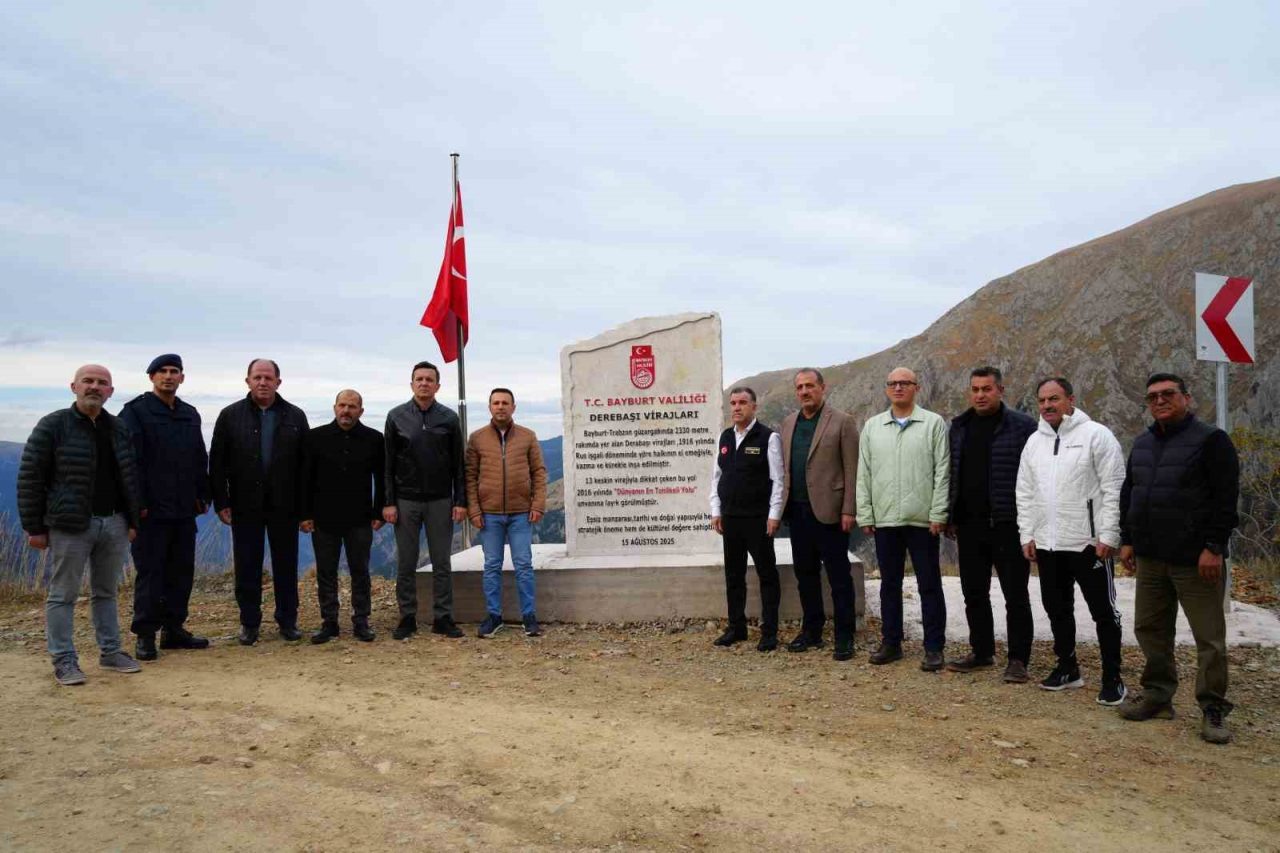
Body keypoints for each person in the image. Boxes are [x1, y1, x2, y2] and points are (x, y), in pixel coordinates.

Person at [1118, 373, 1240, 744]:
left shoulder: (1211, 441)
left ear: (1187, 397)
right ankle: (1158, 695)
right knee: (1150, 629)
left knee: (1209, 638)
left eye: (1168, 394)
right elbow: (1131, 494)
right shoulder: (1141, 444)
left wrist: (1214, 547)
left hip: (1195, 559)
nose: (1159, 401)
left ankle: (1213, 707)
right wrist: (1128, 540)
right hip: (1152, 557)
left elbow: (1225, 498)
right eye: (1152, 396)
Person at [17, 364, 143, 685]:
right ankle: (64, 659)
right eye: (88, 381)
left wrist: (131, 520)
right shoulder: (53, 425)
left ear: (110, 392)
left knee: (106, 591)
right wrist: (34, 527)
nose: (94, 387)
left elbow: (129, 477)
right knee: (63, 594)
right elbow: (31, 477)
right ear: (73, 386)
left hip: (114, 522)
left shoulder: (117, 428)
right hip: (70, 524)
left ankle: (111, 652)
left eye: (102, 383)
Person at [1015, 377, 1126, 705]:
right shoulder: (1034, 442)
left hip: (1088, 543)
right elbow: (1025, 491)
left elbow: (1114, 486)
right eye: (1042, 400)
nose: (1047, 405)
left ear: (1070, 399)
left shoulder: (1096, 435)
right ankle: (1068, 668)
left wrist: (1109, 534)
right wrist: (1028, 534)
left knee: (1103, 612)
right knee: (1056, 609)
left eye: (1054, 399)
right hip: (1048, 544)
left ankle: (1113, 678)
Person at [945, 367, 1037, 683]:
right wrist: (950, 515)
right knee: (974, 593)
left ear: (1000, 390)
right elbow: (952, 473)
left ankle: (1018, 660)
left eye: (987, 389)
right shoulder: (959, 426)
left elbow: (1034, 477)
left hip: (1008, 524)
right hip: (969, 525)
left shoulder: (1023, 426)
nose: (980, 395)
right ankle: (981, 651)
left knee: (1015, 594)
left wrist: (1031, 525)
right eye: (975, 389)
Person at [209, 358, 310, 646]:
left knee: (286, 565)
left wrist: (305, 510)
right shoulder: (230, 416)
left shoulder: (295, 416)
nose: (263, 382)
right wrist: (221, 501)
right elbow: (217, 463)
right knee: (247, 565)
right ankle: (249, 623)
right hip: (244, 503)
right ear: (248, 381)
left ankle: (287, 621)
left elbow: (305, 467)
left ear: (279, 382)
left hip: (285, 505)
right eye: (257, 377)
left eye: (268, 377)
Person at [857, 366, 950, 671]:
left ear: (916, 387)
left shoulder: (933, 424)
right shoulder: (872, 427)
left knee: (929, 585)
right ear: (886, 389)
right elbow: (864, 474)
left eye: (904, 383)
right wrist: (866, 513)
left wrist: (938, 513)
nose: (898, 388)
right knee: (889, 585)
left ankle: (934, 647)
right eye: (892, 383)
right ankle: (891, 643)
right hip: (885, 520)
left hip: (922, 520)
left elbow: (942, 472)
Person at [119, 354, 211, 661]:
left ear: (182, 378)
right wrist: (137, 505)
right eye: (162, 372)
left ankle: (174, 630)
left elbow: (199, 457)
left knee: (181, 572)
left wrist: (203, 493)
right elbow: (130, 463)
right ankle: (145, 634)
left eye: (174, 372)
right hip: (151, 511)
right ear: (152, 377)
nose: (168, 377)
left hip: (184, 508)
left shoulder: (189, 413)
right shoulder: (135, 412)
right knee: (150, 572)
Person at [779, 368, 859, 661]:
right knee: (806, 575)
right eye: (799, 387)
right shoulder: (788, 424)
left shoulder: (842, 422)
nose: (804, 391)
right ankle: (812, 631)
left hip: (831, 512)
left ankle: (844, 636)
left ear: (822, 387)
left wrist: (850, 508)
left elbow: (852, 469)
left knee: (839, 576)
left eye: (810, 386)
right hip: (797, 512)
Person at [384, 361, 467, 640]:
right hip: (405, 500)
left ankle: (442, 617)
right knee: (406, 562)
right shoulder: (395, 417)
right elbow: (388, 465)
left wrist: (460, 501)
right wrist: (389, 502)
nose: (424, 383)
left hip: (441, 500)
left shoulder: (449, 418)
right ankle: (407, 617)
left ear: (437, 386)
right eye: (419, 379)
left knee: (442, 562)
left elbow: (459, 464)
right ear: (411, 384)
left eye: (429, 379)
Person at [300, 390, 385, 644]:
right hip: (324, 517)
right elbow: (304, 478)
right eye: (342, 405)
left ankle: (362, 621)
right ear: (334, 407)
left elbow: (381, 479)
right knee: (326, 572)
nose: (346, 411)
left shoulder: (374, 439)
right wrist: (305, 514)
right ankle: (329, 623)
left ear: (361, 410)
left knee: (361, 570)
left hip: (360, 517)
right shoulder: (315, 438)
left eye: (352, 406)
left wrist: (378, 511)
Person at [465, 388, 548, 639]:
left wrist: (537, 505)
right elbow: (470, 477)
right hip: (488, 514)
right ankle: (494, 616)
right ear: (489, 407)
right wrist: (474, 509)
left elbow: (539, 472)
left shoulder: (528, 436)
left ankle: (529, 616)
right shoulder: (477, 438)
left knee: (524, 564)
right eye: (496, 403)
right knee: (492, 565)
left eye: (505, 403)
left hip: (521, 513)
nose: (500, 407)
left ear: (514, 407)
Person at [709, 386, 784, 652]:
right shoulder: (725, 437)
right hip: (730, 518)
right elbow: (717, 477)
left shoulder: (768, 437)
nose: (737, 407)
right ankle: (736, 627)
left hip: (758, 519)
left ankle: (769, 631)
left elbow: (778, 480)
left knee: (767, 575)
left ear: (754, 406)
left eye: (742, 403)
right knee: (734, 575)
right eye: (733, 403)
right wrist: (716, 509)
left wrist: (774, 514)